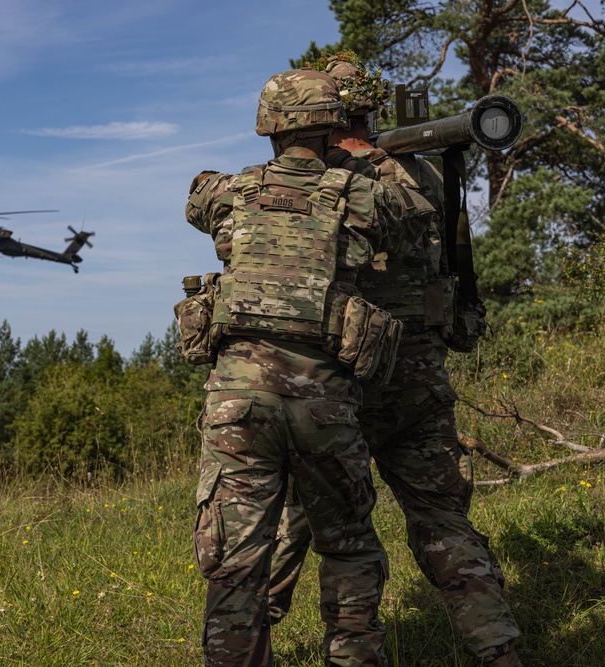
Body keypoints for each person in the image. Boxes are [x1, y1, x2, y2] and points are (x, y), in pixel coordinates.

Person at [264, 52, 524, 667]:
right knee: (441, 519)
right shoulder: (419, 177)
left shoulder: (324, 180)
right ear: (371, 109)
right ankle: (499, 651)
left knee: (306, 518)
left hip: (336, 383)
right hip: (417, 377)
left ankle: (248, 634)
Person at [186, 68, 436, 667]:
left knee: (235, 565)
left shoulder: (232, 192)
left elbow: (197, 199)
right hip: (325, 399)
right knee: (347, 548)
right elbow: (417, 215)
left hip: (237, 405)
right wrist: (368, 152)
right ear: (332, 124)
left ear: (268, 127)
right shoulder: (358, 194)